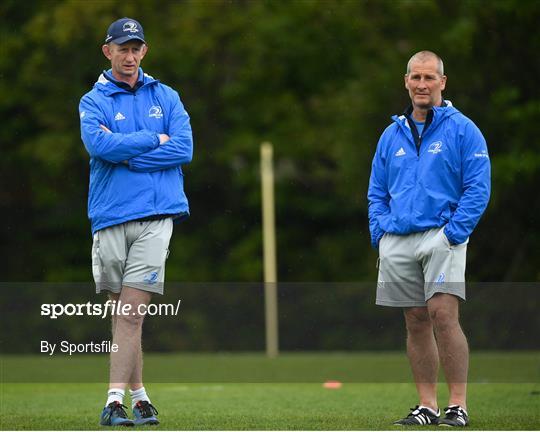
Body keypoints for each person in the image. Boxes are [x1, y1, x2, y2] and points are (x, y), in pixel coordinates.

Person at [79, 17, 193, 426]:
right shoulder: (93, 101)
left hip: (157, 216)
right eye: (122, 48)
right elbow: (98, 145)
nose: (129, 55)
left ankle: (113, 402)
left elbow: (183, 149)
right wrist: (151, 139)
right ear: (107, 51)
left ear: (144, 51)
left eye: (136, 48)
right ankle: (141, 397)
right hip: (109, 216)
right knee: (125, 318)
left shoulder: (167, 96)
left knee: (129, 315)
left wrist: (125, 152)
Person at [367, 51, 490, 427]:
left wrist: (453, 233)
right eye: (415, 78)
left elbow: (478, 188)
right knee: (416, 320)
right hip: (399, 238)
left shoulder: (463, 129)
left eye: (429, 78)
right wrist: (380, 233)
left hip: (442, 236)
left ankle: (457, 404)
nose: (422, 85)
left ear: (442, 82)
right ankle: (427, 406)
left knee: (443, 315)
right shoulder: (392, 134)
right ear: (406, 81)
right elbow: (376, 191)